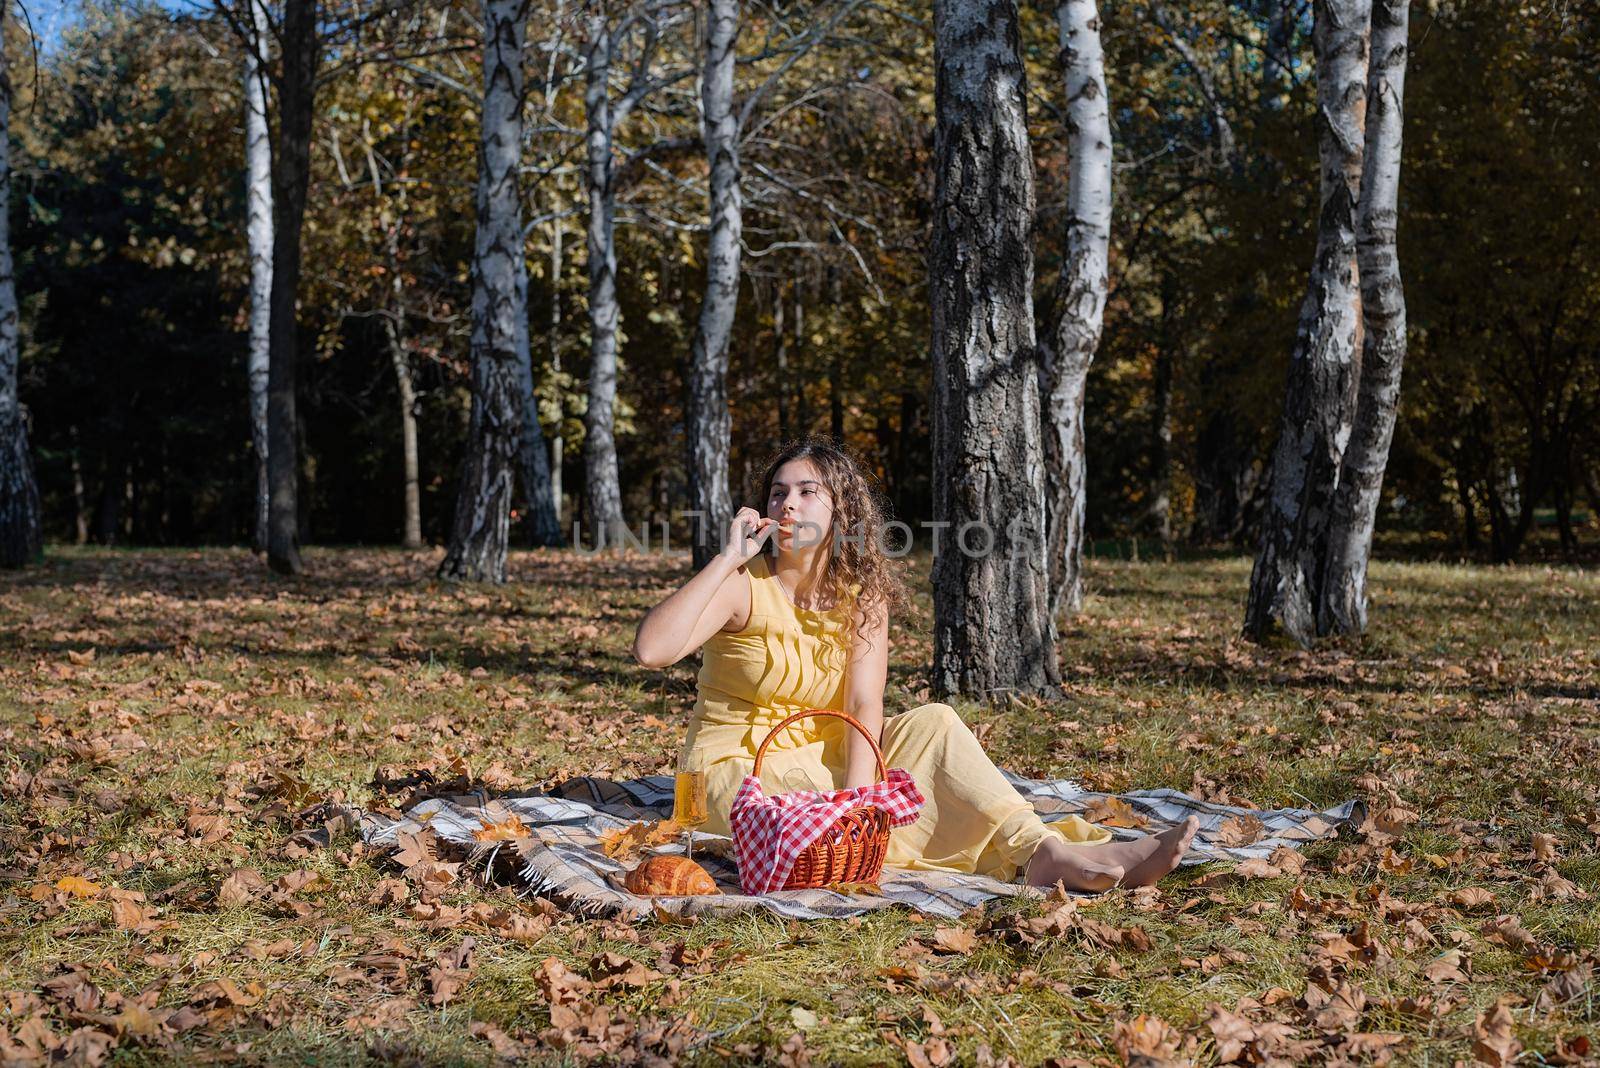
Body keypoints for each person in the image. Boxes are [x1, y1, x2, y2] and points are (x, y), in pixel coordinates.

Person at [631, 438, 1197, 890]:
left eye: (807, 491)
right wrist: (728, 558)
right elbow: (651, 651)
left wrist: (861, 803)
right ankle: (1029, 855)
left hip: (826, 756)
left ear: (841, 510)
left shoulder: (861, 593)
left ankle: (1044, 851)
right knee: (830, 793)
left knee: (935, 725)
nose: (787, 504)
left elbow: (862, 706)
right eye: (778, 493)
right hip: (728, 772)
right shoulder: (740, 587)